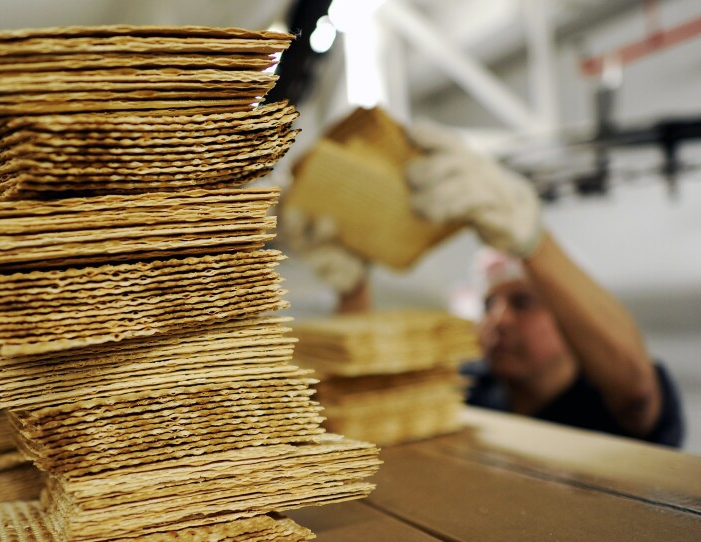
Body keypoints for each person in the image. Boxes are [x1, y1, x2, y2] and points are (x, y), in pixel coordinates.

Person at [291, 121, 685, 447]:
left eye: (523, 303)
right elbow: (357, 399)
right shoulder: (471, 388)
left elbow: (637, 392)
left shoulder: (601, 407)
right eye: (488, 305)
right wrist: (353, 288)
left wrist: (531, 240)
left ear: (571, 319)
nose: (499, 321)